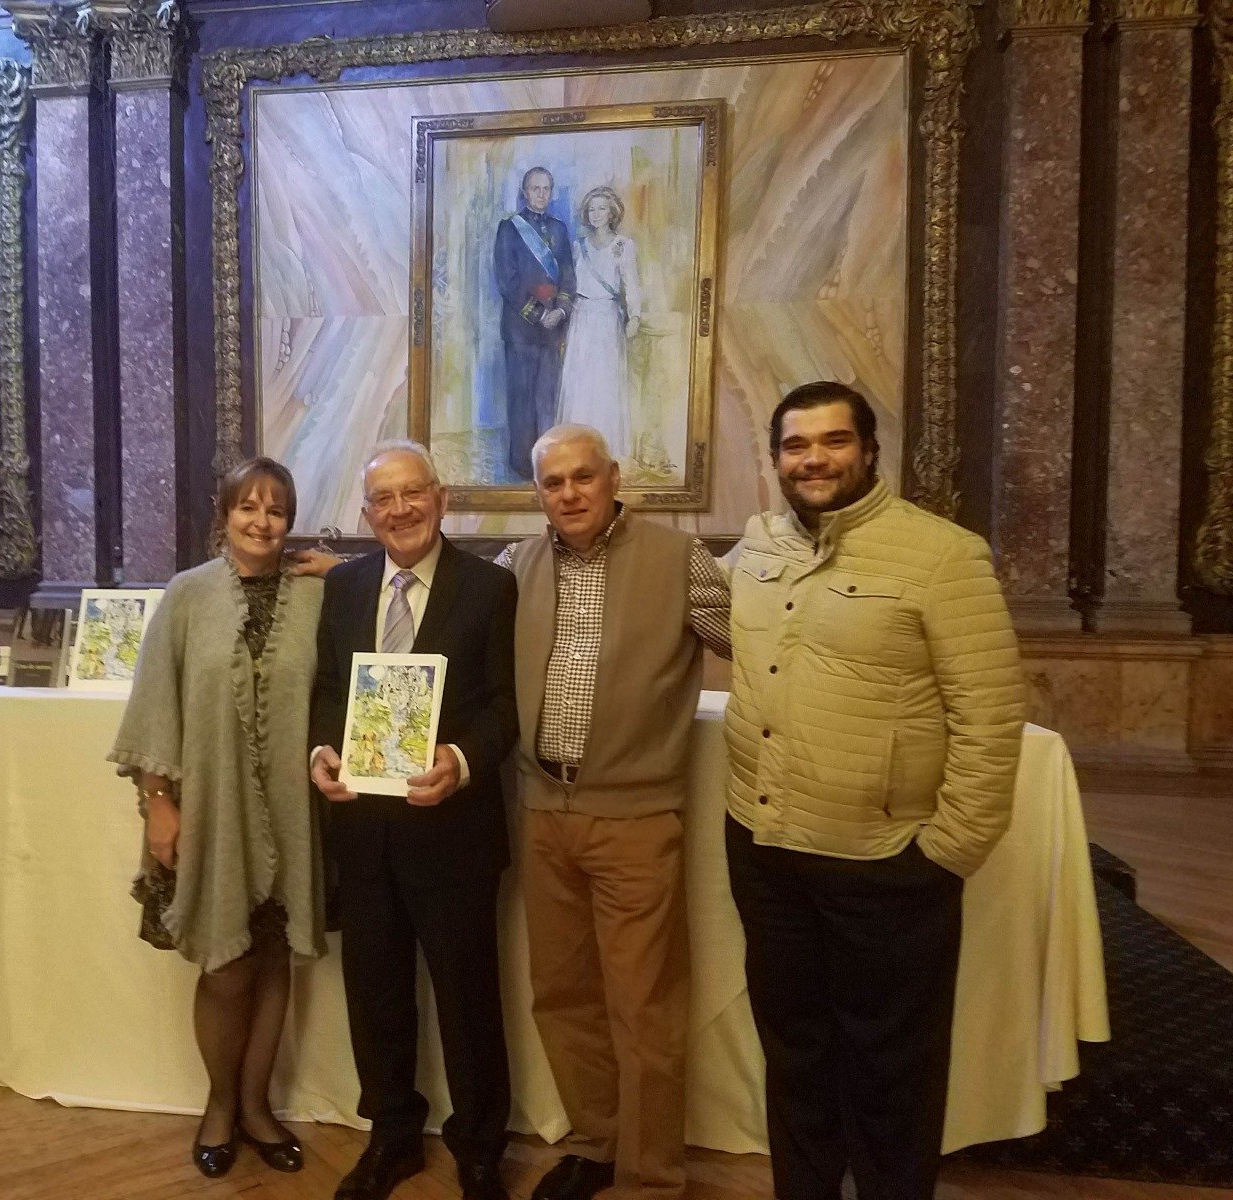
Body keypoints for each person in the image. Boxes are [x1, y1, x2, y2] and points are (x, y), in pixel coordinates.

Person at [724, 381, 1025, 1200]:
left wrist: (945, 853)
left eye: (833, 441)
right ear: (776, 459)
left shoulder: (942, 555)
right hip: (764, 847)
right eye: (796, 445)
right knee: (794, 1049)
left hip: (884, 861)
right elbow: (693, 606)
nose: (814, 459)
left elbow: (991, 715)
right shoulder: (757, 546)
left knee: (892, 1066)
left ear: (869, 450)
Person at [498, 424, 731, 1200]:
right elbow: (446, 614)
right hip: (541, 814)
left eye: (583, 476)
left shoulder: (678, 560)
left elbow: (758, 642)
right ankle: (595, 1144)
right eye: (552, 482)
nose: (568, 493)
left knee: (644, 1010)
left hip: (636, 820)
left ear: (613, 478)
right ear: (537, 493)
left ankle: (651, 1177)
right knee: (563, 998)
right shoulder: (516, 566)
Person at [108, 456, 328, 1180]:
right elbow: (154, 702)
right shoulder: (188, 595)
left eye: (276, 510)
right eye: (248, 507)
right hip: (211, 811)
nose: (262, 522)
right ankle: (220, 1106)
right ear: (225, 513)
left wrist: (342, 570)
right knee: (226, 967)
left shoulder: (315, 597)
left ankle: (258, 1108)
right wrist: (159, 804)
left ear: (290, 521)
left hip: (293, 815)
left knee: (274, 961)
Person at [310, 440, 518, 1200]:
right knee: (376, 996)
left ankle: (480, 1146)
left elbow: (507, 704)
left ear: (441, 498)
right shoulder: (344, 586)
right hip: (363, 833)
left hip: (455, 834)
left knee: (468, 999)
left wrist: (460, 760)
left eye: (413, 493)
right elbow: (328, 689)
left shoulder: (490, 588)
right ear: (367, 513)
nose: (399, 510)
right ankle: (392, 1136)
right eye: (383, 499)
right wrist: (321, 750)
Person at [495, 166, 576, 482]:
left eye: (546, 189)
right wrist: (539, 314)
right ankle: (522, 463)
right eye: (535, 188)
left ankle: (548, 459)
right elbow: (507, 279)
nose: (541, 194)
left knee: (547, 396)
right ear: (524, 192)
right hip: (521, 327)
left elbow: (567, 274)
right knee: (521, 396)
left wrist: (561, 311)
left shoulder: (559, 229)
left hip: (554, 326)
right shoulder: (509, 229)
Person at [556, 186, 642, 461]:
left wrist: (635, 316)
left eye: (602, 208)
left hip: (607, 318)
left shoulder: (623, 246)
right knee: (580, 380)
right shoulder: (578, 246)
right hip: (581, 317)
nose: (596, 214)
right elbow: (569, 284)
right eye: (592, 209)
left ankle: (604, 445)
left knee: (604, 380)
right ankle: (576, 445)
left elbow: (631, 284)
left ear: (612, 213)